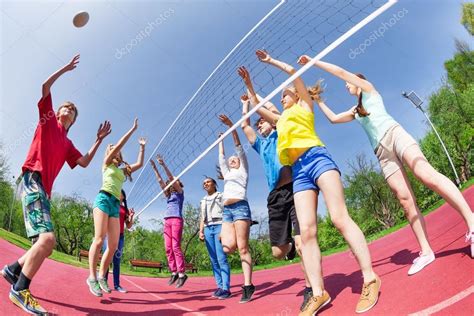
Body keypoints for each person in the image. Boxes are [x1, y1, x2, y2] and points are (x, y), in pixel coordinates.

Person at [297, 55, 474, 268]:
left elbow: (342, 73)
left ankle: (472, 224)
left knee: (425, 174)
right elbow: (334, 119)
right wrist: (318, 101)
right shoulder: (356, 111)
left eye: (348, 83)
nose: (346, 86)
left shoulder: (369, 89)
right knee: (404, 200)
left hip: (394, 134)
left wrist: (313, 62)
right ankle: (426, 251)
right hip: (382, 153)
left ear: (357, 81)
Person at [244, 50, 381, 315]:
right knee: (305, 233)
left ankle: (370, 278)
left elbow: (294, 75)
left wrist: (272, 61)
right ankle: (318, 293)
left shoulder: (304, 106)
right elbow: (258, 105)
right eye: (282, 94)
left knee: (340, 218)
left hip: (317, 159)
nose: (282, 96)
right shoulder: (280, 119)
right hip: (299, 171)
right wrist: (249, 84)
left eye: (285, 93)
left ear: (296, 95)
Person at [1, 54, 111, 314]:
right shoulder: (48, 120)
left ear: (73, 120)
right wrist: (65, 69)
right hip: (32, 179)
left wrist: (97, 140)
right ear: (58, 112)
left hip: (44, 191)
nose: (69, 110)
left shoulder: (67, 144)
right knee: (48, 240)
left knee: (44, 243)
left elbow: (83, 162)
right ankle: (20, 289)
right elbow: (44, 87)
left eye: (73, 110)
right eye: (66, 107)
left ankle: (12, 270)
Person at [237, 85, 312, 310]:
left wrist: (251, 90)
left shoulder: (281, 130)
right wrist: (245, 106)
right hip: (275, 197)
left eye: (262, 121)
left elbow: (268, 109)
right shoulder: (261, 144)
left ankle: (310, 288)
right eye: (259, 123)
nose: (260, 124)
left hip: (294, 187)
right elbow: (245, 125)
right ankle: (290, 249)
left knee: (301, 243)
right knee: (278, 252)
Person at [87, 118, 146, 297]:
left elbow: (140, 164)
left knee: (112, 246)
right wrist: (132, 129)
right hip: (103, 199)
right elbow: (119, 144)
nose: (115, 151)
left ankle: (102, 276)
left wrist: (142, 147)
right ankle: (91, 277)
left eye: (117, 151)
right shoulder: (106, 164)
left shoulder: (121, 171)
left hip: (115, 204)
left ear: (120, 157)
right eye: (112, 149)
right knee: (98, 240)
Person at [217, 114, 256, 303]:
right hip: (227, 211)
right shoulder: (227, 173)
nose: (232, 160)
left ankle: (248, 286)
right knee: (226, 248)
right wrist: (220, 141)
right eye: (231, 160)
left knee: (242, 248)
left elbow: (239, 148)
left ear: (240, 162)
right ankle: (238, 233)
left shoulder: (243, 170)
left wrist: (231, 127)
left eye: (235, 159)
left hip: (240, 207)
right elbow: (221, 157)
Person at [150, 155, 188, 288]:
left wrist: (163, 164)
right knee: (168, 248)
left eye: (172, 182)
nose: (169, 183)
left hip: (176, 219)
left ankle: (182, 274)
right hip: (167, 221)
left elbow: (171, 179)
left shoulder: (180, 192)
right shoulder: (168, 195)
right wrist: (155, 168)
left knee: (176, 246)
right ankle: (174, 272)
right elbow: (160, 181)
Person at [199, 177, 231, 299]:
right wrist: (201, 231)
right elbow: (202, 217)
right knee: (213, 260)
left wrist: (225, 229)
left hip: (219, 226)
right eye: (204, 183)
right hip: (208, 228)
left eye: (208, 182)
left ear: (214, 184)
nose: (205, 184)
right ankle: (219, 286)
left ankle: (226, 289)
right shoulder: (203, 200)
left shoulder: (221, 195)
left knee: (221, 258)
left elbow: (226, 212)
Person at [101, 189, 135, 293]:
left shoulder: (125, 209)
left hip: (120, 237)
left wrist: (131, 217)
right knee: (107, 259)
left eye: (120, 192)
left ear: (123, 196)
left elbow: (128, 226)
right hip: (109, 235)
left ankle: (117, 285)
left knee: (117, 261)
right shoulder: (111, 204)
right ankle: (104, 282)